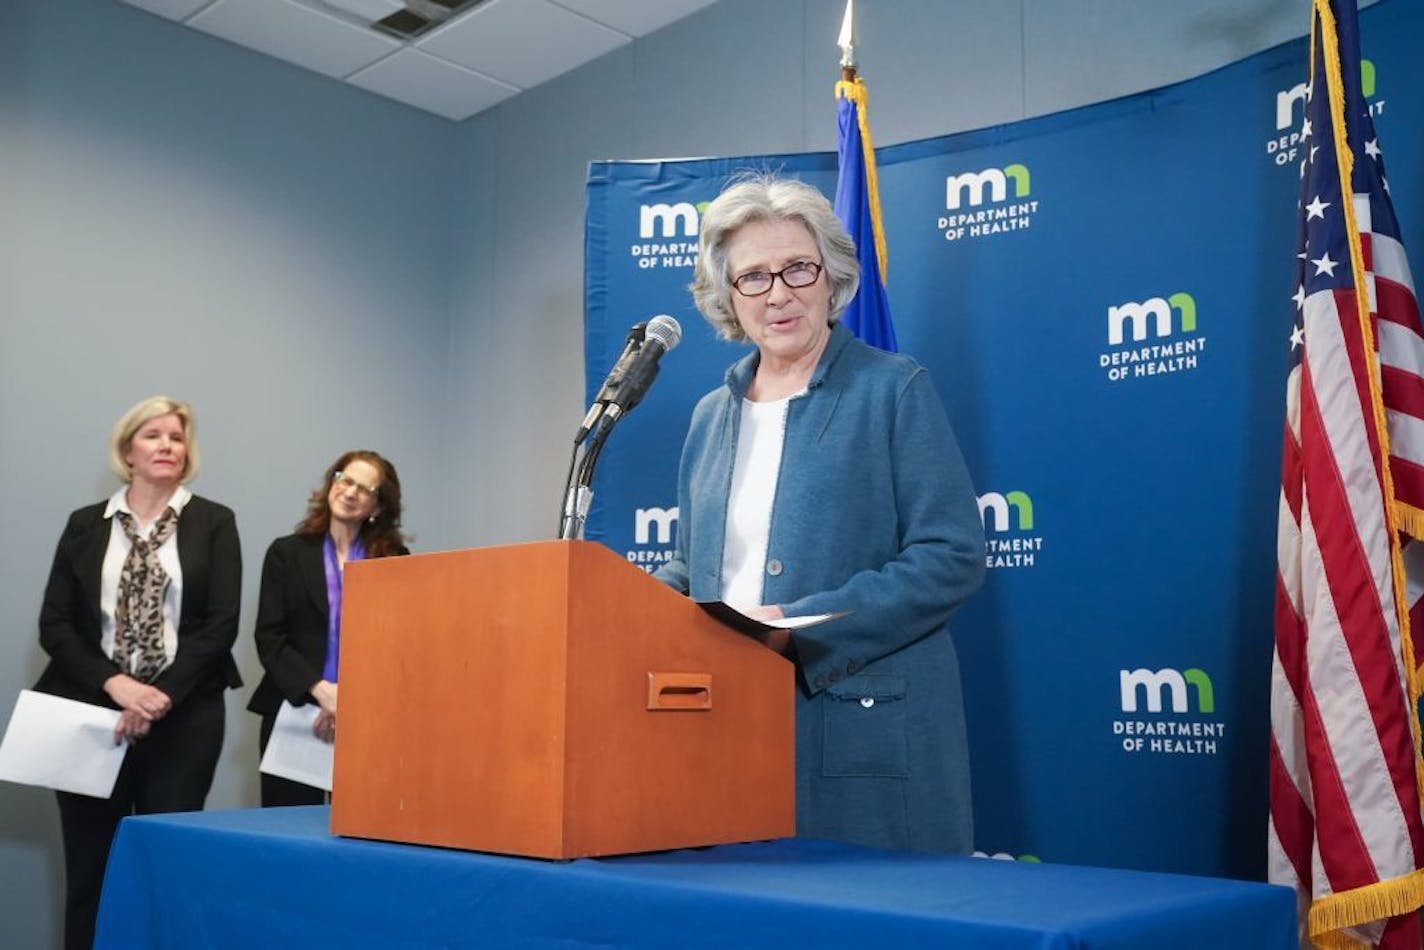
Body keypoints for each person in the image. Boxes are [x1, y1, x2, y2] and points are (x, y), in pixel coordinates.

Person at [655, 174, 986, 854]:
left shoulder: (894, 389)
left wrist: (805, 626)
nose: (778, 292)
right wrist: (627, 610)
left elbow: (949, 555)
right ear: (728, 297)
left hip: (860, 730)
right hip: (728, 723)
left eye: (797, 268)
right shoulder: (709, 416)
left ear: (830, 277)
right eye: (753, 277)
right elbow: (695, 565)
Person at [36, 395, 242, 950]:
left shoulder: (215, 522)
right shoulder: (85, 526)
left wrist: (157, 696)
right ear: (127, 450)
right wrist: (118, 686)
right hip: (91, 711)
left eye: (176, 438)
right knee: (90, 870)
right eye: (153, 436)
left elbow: (220, 626)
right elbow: (55, 625)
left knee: (165, 867)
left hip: (185, 717)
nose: (167, 446)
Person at [247, 450, 409, 807]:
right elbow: (270, 638)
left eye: (364, 489)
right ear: (331, 484)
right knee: (286, 835)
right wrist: (324, 693)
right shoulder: (286, 554)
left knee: (361, 833)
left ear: (378, 507)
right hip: (294, 709)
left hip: (367, 717)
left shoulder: (394, 561)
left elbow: (398, 647)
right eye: (345, 480)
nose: (350, 493)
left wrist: (349, 701)